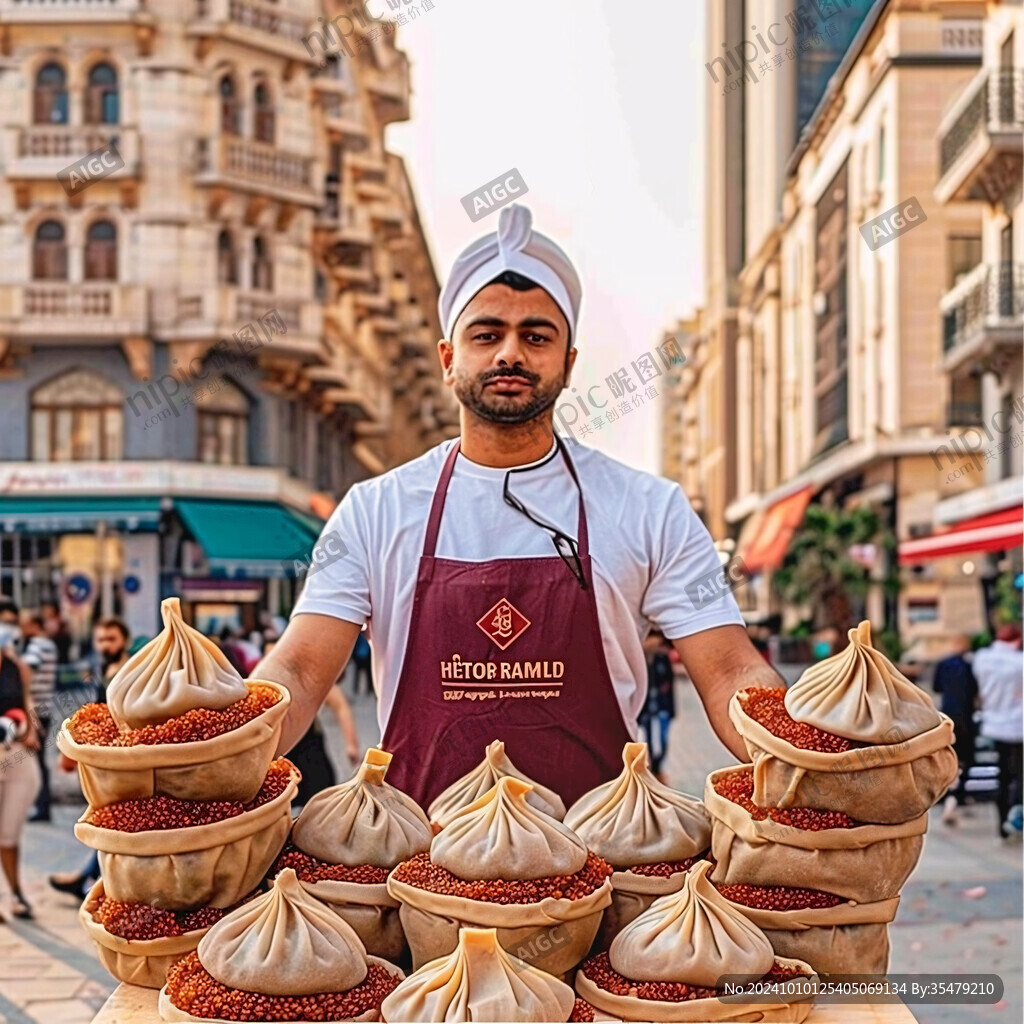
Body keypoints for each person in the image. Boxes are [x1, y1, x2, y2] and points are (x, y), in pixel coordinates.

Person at [255, 203, 780, 809]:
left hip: (602, 868)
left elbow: (730, 672)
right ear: (450, 358)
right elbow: (298, 669)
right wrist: (215, 747)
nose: (510, 353)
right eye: (487, 335)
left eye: (536, 336)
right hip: (423, 871)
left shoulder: (650, 508)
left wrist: (805, 749)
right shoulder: (374, 511)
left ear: (568, 362)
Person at [49, 617, 130, 900]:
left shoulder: (128, 673)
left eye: (112, 639)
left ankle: (92, 883)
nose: (106, 644)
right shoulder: (104, 671)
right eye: (101, 639)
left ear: (125, 641)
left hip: (126, 761)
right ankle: (90, 879)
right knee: (111, 823)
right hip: (106, 759)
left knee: (116, 824)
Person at [0, 599, 41, 918]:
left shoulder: (17, 665)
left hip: (16, 754)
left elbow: (27, 702)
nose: (7, 627)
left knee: (10, 830)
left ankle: (15, 893)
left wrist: (32, 729)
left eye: (11, 621)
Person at [972, 623, 1023, 839]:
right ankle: (1015, 817)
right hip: (1018, 724)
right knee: (1019, 776)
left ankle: (1002, 822)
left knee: (1001, 775)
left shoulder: (982, 659)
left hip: (993, 723)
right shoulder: (1019, 663)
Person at [933, 634, 978, 826]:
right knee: (965, 760)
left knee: (949, 758)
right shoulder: (969, 667)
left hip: (947, 716)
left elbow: (936, 687)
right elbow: (975, 691)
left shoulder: (942, 664)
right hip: (966, 718)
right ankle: (956, 797)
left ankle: (946, 795)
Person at [19, 613, 58, 823]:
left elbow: (26, 669)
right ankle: (41, 805)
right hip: (45, 708)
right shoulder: (49, 645)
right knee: (38, 761)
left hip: (36, 711)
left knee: (36, 762)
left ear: (33, 624)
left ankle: (41, 806)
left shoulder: (37, 645)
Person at [637, 631, 675, 780]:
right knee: (647, 738)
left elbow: (668, 683)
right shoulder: (641, 660)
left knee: (662, 738)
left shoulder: (662, 658)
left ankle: (658, 768)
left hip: (662, 705)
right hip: (646, 707)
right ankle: (652, 768)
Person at [350, 631, 373, 697]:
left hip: (362, 656)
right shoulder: (362, 638)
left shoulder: (360, 637)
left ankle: (364, 689)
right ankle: (366, 689)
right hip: (362, 657)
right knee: (364, 674)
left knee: (363, 674)